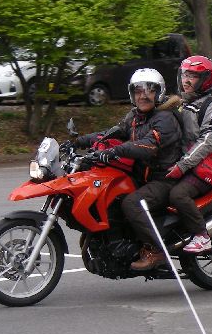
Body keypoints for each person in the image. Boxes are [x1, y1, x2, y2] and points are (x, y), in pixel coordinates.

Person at [71, 68, 182, 271]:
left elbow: (148, 145)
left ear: (159, 92)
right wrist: (78, 142)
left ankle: (156, 250)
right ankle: (113, 243)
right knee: (108, 194)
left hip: (163, 178)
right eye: (138, 91)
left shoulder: (165, 118)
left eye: (149, 90)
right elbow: (111, 133)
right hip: (141, 176)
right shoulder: (135, 116)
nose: (143, 96)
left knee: (132, 203)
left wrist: (114, 151)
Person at [164, 55, 212, 253]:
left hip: (205, 166)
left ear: (206, 80)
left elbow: (207, 142)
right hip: (183, 162)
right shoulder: (180, 102)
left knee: (178, 195)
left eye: (192, 76)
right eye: (185, 75)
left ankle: (202, 235)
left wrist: (182, 165)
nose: (186, 80)